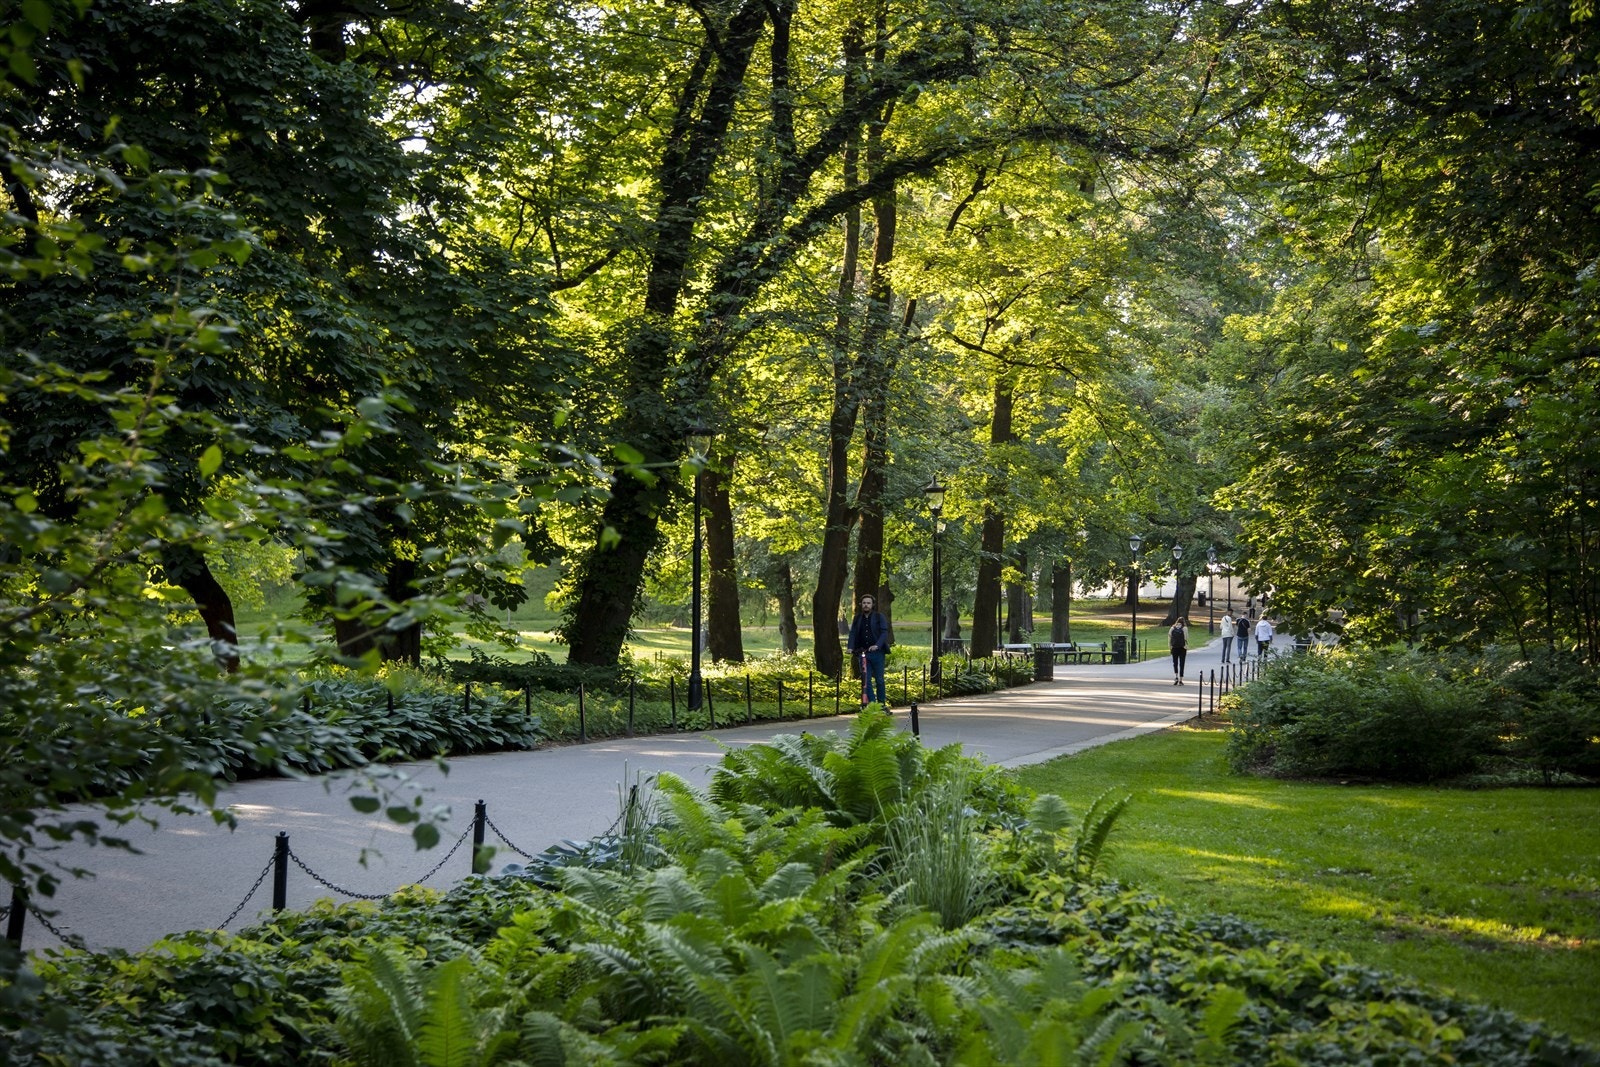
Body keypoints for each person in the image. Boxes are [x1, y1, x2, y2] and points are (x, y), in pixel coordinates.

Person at [847, 593, 891, 706]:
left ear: (872, 605)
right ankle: (872, 705)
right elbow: (852, 633)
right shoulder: (857, 618)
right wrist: (850, 647)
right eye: (864, 603)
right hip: (863, 653)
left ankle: (881, 705)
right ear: (861, 604)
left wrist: (877, 645)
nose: (866, 605)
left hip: (877, 653)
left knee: (879, 680)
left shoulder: (878, 617)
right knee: (866, 680)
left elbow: (884, 632)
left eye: (869, 603)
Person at [1168, 616, 1189, 685]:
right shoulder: (1185, 628)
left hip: (1174, 647)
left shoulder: (1172, 628)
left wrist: (1170, 647)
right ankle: (1181, 679)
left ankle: (1176, 676)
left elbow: (1169, 638)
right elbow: (1186, 638)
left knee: (1175, 663)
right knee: (1182, 663)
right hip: (1182, 647)